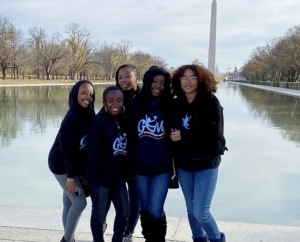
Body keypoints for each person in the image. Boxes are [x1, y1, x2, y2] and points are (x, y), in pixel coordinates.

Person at [170, 64, 226, 242]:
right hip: (184, 164)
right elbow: (172, 129)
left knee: (201, 212)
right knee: (191, 209)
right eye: (184, 77)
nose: (187, 81)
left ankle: (217, 239)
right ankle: (198, 239)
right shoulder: (176, 102)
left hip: (206, 163)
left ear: (200, 79)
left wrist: (183, 135)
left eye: (192, 77)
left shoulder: (210, 102)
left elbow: (214, 133)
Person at [128, 66, 172, 242]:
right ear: (147, 83)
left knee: (156, 209)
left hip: (162, 167)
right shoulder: (135, 105)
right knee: (144, 208)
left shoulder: (170, 105)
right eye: (155, 81)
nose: (158, 86)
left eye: (162, 83)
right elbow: (129, 136)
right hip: (141, 167)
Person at [48, 80, 95, 242]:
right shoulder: (72, 118)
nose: (87, 97)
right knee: (80, 203)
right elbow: (66, 150)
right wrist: (70, 177)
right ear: (75, 94)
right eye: (83, 93)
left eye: (90, 94)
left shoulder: (88, 114)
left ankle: (70, 238)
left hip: (72, 165)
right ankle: (67, 240)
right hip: (61, 165)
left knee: (69, 203)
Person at [85, 86, 130, 242]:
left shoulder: (124, 120)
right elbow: (93, 152)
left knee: (124, 212)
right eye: (110, 101)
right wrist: (106, 172)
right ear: (104, 102)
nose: (115, 104)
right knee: (98, 212)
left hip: (118, 177)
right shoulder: (98, 121)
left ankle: (116, 239)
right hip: (100, 177)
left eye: (119, 100)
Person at [115, 64, 141, 242]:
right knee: (111, 196)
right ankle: (104, 224)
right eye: (120, 77)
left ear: (136, 78)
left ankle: (128, 233)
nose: (123, 80)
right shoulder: (114, 97)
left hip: (137, 157)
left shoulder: (145, 98)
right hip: (117, 156)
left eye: (127, 76)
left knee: (135, 197)